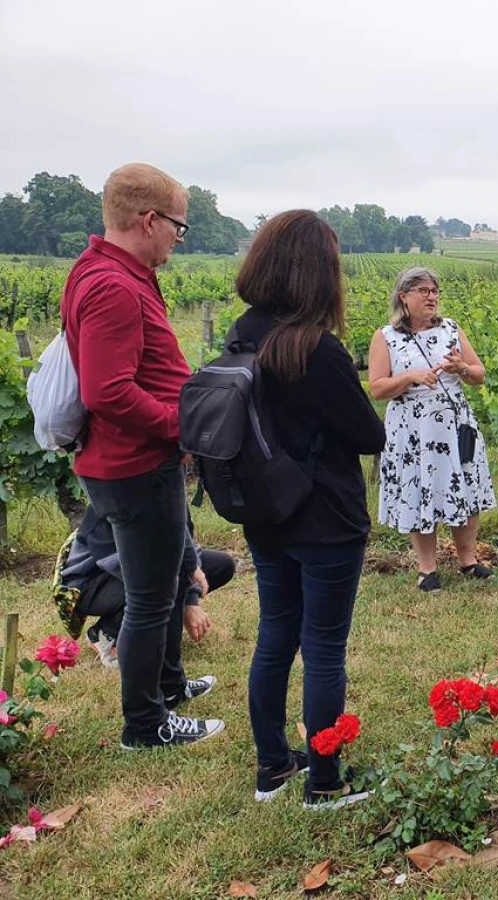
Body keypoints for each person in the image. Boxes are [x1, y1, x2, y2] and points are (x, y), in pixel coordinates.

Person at [62, 163, 224, 750]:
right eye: (178, 227)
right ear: (149, 220)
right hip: (134, 463)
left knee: (171, 577)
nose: (180, 240)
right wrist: (178, 425)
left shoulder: (107, 271)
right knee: (152, 599)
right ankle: (145, 725)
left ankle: (171, 688)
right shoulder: (112, 285)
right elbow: (107, 391)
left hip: (135, 460)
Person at [234, 210, 386, 809]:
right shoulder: (314, 349)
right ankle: (325, 780)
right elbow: (368, 434)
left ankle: (274, 766)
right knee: (324, 646)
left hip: (266, 511)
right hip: (325, 519)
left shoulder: (244, 332)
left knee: (275, 635)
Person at [369, 267, 496, 592]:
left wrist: (462, 368)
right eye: (423, 291)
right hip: (414, 432)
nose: (431, 297)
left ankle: (467, 560)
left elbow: (478, 374)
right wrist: (410, 377)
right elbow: (378, 388)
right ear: (404, 297)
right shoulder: (386, 337)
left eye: (434, 291)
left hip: (456, 426)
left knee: (464, 487)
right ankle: (428, 568)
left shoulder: (451, 329)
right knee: (420, 490)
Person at [53, 507, 234, 673]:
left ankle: (153, 618)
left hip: (138, 567)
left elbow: (186, 547)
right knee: (157, 580)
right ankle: (106, 632)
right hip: (91, 581)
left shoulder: (168, 487)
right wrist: (181, 595)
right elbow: (123, 565)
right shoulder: (111, 498)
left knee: (220, 565)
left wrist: (190, 598)